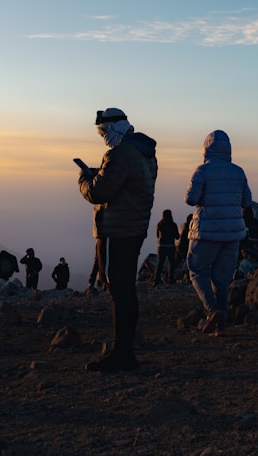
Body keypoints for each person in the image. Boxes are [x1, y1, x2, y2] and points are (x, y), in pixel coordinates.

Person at [78, 107, 158, 372]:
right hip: (134, 228)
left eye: (102, 131)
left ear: (112, 128)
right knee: (126, 290)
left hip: (116, 230)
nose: (102, 137)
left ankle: (121, 354)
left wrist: (84, 180)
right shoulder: (144, 152)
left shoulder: (120, 153)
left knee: (118, 291)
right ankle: (124, 351)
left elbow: (100, 192)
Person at [185, 129, 252, 337]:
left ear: (206, 148)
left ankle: (212, 310)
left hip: (206, 232)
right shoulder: (238, 172)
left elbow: (191, 199)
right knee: (222, 280)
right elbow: (247, 202)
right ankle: (221, 327)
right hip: (232, 234)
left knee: (197, 270)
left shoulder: (202, 171)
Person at [153, 209, 178, 286]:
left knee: (160, 263)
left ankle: (156, 280)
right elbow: (177, 236)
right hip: (170, 246)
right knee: (171, 263)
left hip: (161, 246)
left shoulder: (159, 224)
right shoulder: (173, 225)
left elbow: (157, 236)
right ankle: (171, 279)